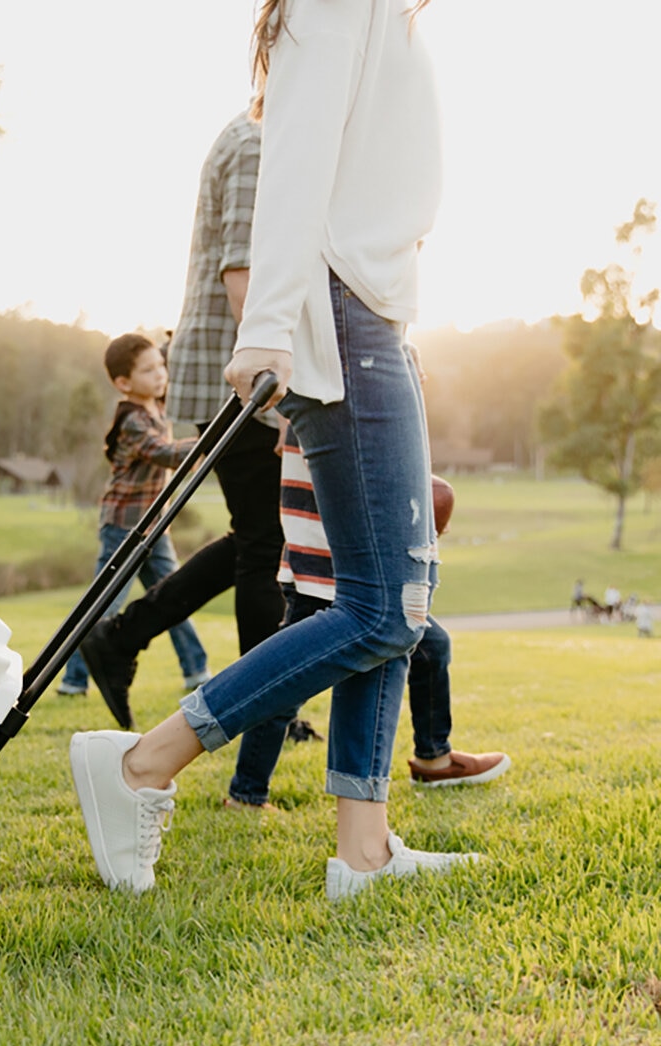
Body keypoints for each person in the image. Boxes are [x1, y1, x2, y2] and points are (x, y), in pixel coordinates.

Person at [69, 0, 481, 902]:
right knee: (379, 609)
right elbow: (292, 160)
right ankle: (143, 764)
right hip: (340, 311)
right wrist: (267, 328)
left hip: (376, 310)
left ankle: (363, 851)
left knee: (393, 599)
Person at [78, 107, 287, 730]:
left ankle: (123, 636)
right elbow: (242, 275)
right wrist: (280, 385)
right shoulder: (255, 143)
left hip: (238, 367)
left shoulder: (252, 138)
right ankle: (260, 715)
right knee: (264, 544)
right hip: (244, 371)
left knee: (256, 536)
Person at [222, 423, 511, 810]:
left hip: (349, 564)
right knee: (285, 686)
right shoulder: (337, 395)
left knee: (431, 647)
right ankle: (246, 793)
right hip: (325, 568)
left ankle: (433, 758)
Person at [56, 332, 210, 696]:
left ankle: (197, 672)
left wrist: (175, 344)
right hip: (124, 527)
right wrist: (213, 438)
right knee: (104, 604)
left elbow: (175, 361)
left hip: (155, 529)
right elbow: (168, 453)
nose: (160, 375)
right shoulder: (133, 419)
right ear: (124, 383)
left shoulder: (157, 405)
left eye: (161, 366)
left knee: (174, 597)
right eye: (149, 370)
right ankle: (73, 680)